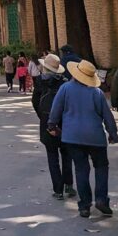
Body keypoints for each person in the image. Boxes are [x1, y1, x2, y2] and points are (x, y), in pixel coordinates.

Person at [48, 59, 118, 219]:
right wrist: (112, 134)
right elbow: (107, 115)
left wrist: (52, 125)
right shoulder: (97, 93)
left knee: (81, 169)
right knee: (101, 167)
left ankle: (85, 205)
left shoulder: (65, 88)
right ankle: (101, 199)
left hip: (72, 137)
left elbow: (55, 109)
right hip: (95, 137)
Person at [31, 53, 75, 201]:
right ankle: (69, 184)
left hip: (46, 121)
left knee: (52, 156)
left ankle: (58, 189)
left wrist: (43, 117)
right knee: (66, 154)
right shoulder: (64, 82)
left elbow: (35, 101)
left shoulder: (39, 82)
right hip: (64, 122)